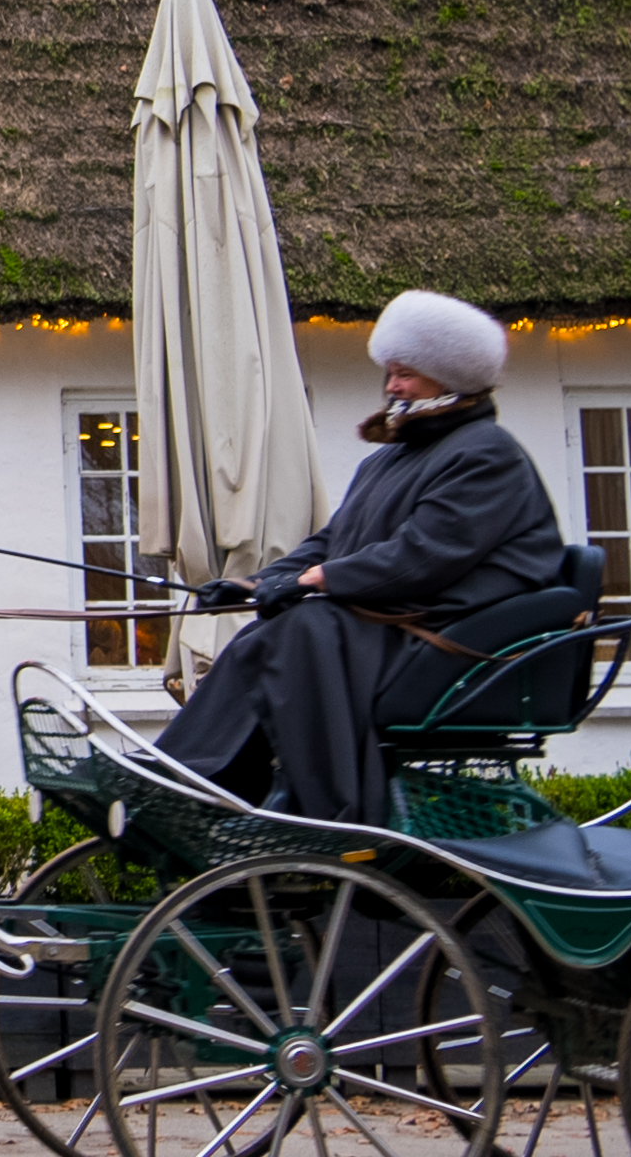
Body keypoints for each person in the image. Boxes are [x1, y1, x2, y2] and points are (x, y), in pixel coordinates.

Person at [152, 289, 567, 828]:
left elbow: (422, 556)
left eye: (407, 374)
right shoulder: (393, 458)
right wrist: (256, 585)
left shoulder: (488, 454)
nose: (392, 385)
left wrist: (313, 583)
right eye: (391, 372)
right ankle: (201, 785)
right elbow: (334, 540)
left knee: (303, 629)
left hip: (450, 642)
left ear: (452, 378)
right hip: (397, 629)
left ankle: (331, 815)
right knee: (268, 633)